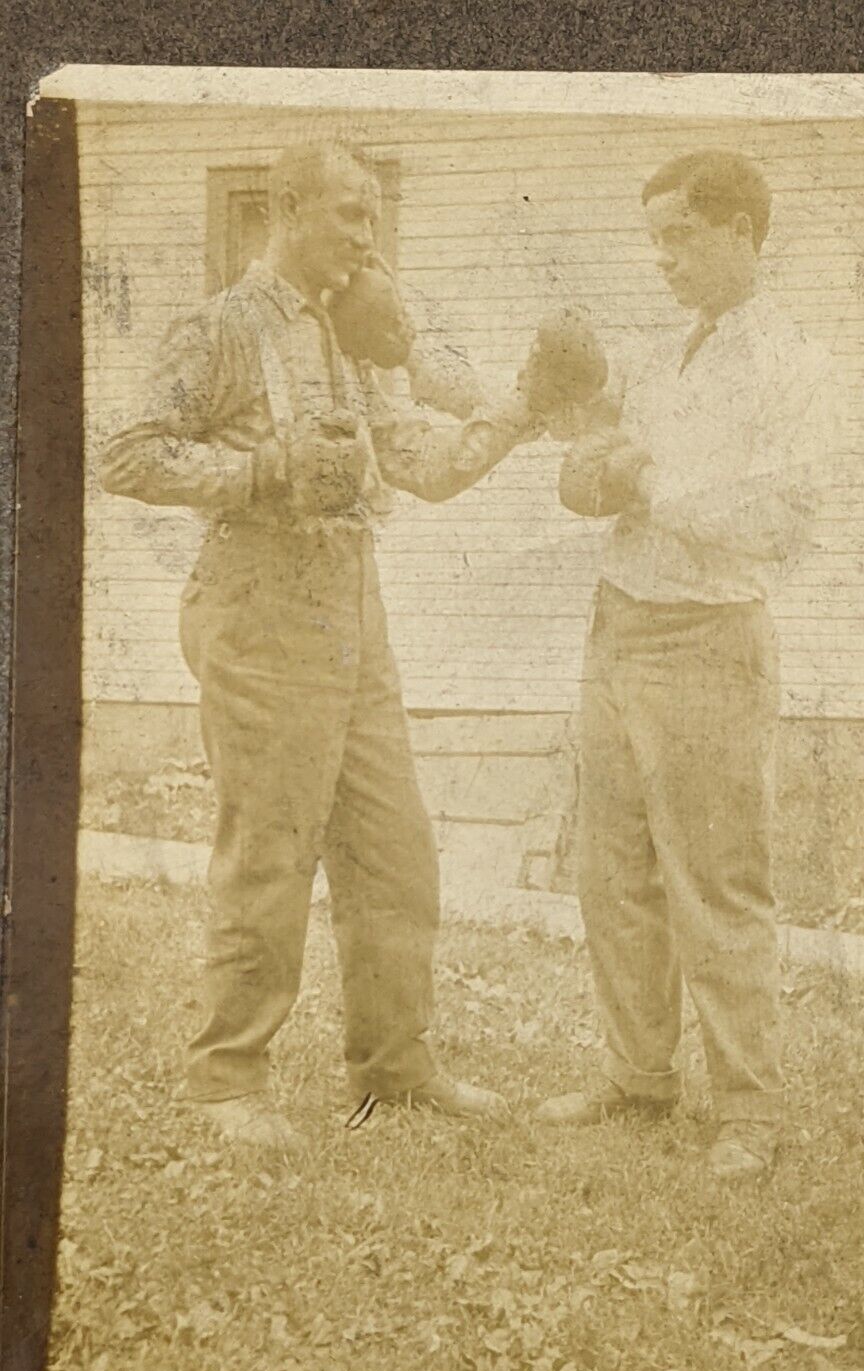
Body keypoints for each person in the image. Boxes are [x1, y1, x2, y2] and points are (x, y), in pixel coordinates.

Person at [101, 141, 594, 1150]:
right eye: (350, 215)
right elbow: (126, 454)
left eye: (373, 216)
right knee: (271, 849)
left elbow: (422, 461)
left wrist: (523, 404)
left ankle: (394, 1068)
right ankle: (226, 1079)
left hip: (351, 608)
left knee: (396, 850)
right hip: (255, 597)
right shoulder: (223, 324)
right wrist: (261, 466)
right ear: (286, 208)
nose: (368, 236)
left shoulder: (362, 335)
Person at [535, 149, 840, 1180]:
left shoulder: (791, 362)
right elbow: (603, 449)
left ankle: (747, 1108)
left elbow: (783, 516)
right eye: (655, 238)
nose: (661, 259)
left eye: (682, 237)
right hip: (617, 623)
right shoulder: (665, 352)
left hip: (710, 638)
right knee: (610, 869)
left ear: (745, 232)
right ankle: (638, 1075)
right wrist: (587, 464)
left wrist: (646, 484)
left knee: (715, 881)